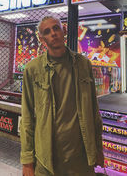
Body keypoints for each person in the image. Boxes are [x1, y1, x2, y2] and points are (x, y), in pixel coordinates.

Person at [20, 16, 104, 176]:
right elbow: (27, 117)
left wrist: (98, 149)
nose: (53, 33)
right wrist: (27, 161)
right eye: (47, 31)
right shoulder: (32, 70)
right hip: (46, 161)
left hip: (81, 159)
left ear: (64, 30)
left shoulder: (84, 64)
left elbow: (94, 110)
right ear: (41, 38)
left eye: (56, 28)